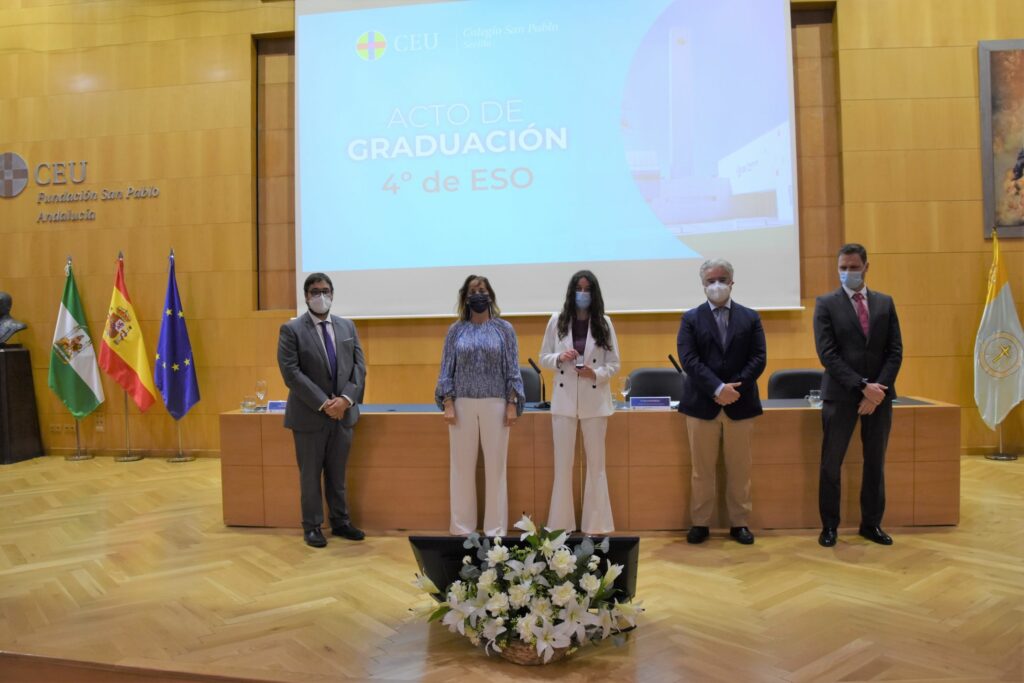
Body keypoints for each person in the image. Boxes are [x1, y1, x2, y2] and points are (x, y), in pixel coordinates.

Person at [814, 243, 903, 547]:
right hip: (841, 396)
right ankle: (829, 527)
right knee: (831, 463)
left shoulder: (885, 303)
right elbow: (828, 354)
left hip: (879, 397)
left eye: (853, 267)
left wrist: (878, 390)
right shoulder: (826, 304)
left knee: (875, 462)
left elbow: (895, 351)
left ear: (866, 266)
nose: (848, 272)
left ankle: (871, 524)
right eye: (843, 267)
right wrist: (862, 386)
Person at [677, 259, 766, 545]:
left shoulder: (751, 318)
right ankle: (700, 523)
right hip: (702, 405)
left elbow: (758, 358)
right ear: (703, 285)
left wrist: (733, 387)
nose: (716, 285)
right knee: (701, 470)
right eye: (710, 280)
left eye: (722, 279)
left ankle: (739, 523)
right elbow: (689, 360)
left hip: (741, 404)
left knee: (740, 470)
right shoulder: (690, 318)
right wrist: (716, 388)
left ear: (732, 282)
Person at [277, 273, 367, 548]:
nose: (321, 296)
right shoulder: (291, 330)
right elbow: (291, 373)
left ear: (333, 294)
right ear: (306, 296)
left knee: (337, 474)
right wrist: (324, 403)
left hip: (343, 415)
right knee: (310, 475)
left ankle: (341, 522)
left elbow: (358, 368)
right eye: (315, 291)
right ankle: (312, 526)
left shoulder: (347, 327)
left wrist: (344, 400)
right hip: (309, 416)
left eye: (325, 291)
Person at [435, 275, 525, 537]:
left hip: (496, 404)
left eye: (482, 290)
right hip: (461, 404)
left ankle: (495, 529)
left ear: (490, 296)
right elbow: (445, 370)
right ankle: (462, 528)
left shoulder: (504, 329)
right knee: (462, 468)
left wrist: (512, 403)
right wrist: (448, 402)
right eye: (473, 290)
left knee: (496, 468)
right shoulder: (456, 330)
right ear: (465, 297)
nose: (478, 294)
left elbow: (512, 368)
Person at [539, 270, 620, 534]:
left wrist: (595, 373)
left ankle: (596, 525)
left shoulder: (604, 323)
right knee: (563, 465)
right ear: (571, 291)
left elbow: (614, 364)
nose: (582, 294)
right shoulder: (557, 320)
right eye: (579, 288)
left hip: (594, 401)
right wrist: (560, 357)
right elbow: (544, 358)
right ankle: (561, 525)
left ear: (594, 293)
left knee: (596, 465)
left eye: (587, 289)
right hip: (563, 401)